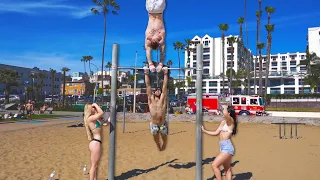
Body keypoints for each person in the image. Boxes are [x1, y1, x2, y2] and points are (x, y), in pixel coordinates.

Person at [201, 105, 238, 180]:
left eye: (225, 111)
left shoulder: (231, 121)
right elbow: (216, 133)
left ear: (229, 113)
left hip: (227, 147)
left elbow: (225, 114)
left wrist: (225, 107)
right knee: (227, 169)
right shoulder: (223, 122)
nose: (223, 113)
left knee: (214, 165)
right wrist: (204, 131)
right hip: (222, 146)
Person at [144, 66, 169, 151]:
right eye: (156, 90)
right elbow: (148, 85)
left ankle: (164, 144)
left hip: (162, 123)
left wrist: (165, 74)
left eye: (159, 90)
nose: (158, 91)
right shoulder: (151, 99)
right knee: (156, 138)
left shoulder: (163, 98)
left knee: (164, 136)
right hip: (154, 124)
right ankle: (158, 145)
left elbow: (165, 85)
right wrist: (146, 73)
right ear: (154, 91)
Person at [83, 103, 109, 180]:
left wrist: (108, 121)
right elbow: (101, 113)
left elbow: (104, 123)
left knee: (95, 165)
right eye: (93, 108)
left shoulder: (95, 119)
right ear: (90, 109)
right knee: (94, 165)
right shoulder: (90, 118)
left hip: (96, 142)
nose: (95, 108)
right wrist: (95, 104)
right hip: (95, 143)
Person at [145, 0, 166, 73]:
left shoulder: (151, 37)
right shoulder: (159, 37)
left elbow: (148, 51)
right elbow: (161, 51)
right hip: (154, 10)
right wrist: (159, 64)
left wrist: (151, 64)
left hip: (155, 10)